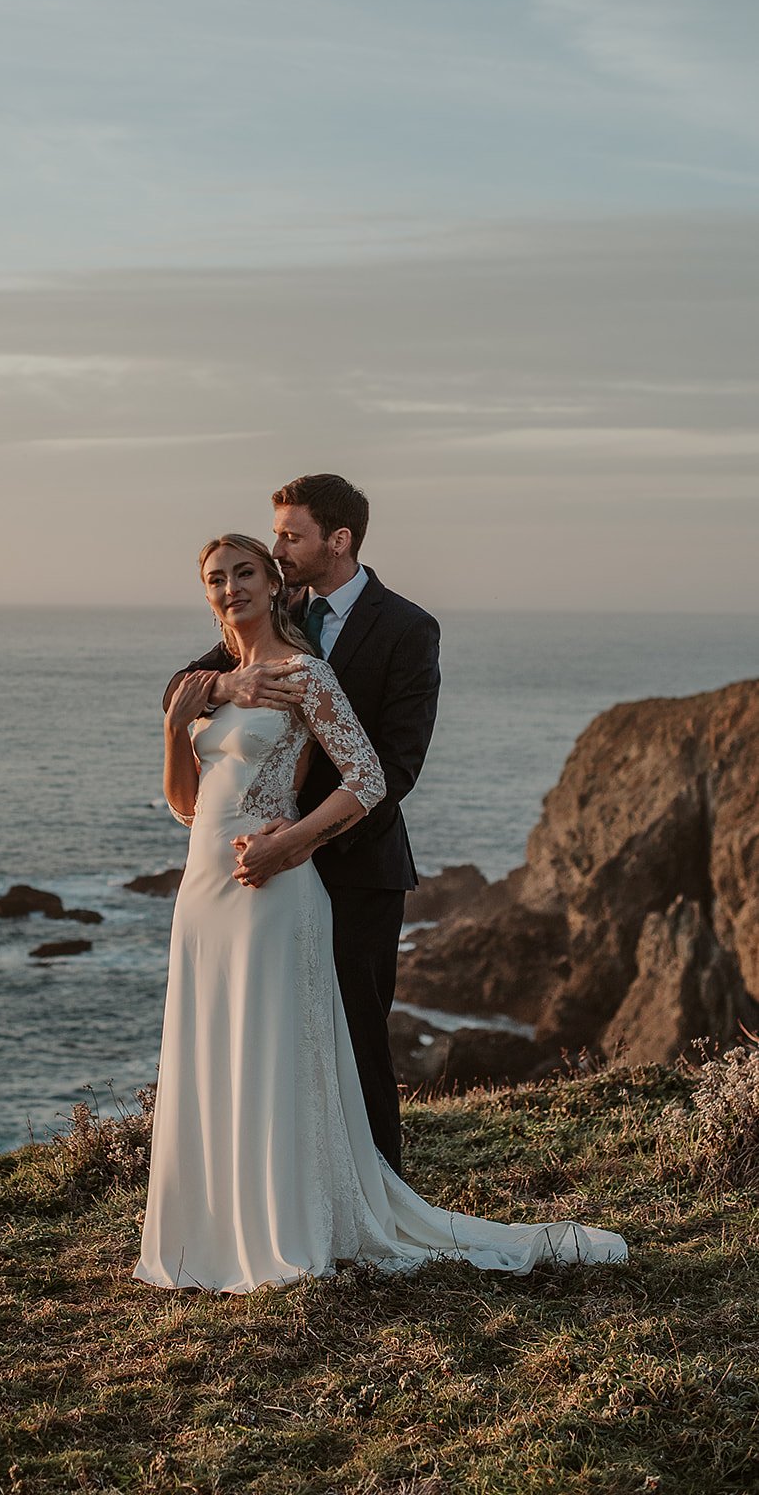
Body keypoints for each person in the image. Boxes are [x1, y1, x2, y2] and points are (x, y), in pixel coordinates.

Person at [134, 533, 626, 1291]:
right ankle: (214, 1229)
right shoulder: (204, 682)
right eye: (215, 579)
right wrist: (175, 727)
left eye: (244, 573)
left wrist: (293, 843)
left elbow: (366, 778)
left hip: (272, 890)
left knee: (273, 1053)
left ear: (273, 586)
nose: (230, 588)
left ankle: (284, 1229)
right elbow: (187, 806)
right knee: (214, 1049)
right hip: (204, 893)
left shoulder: (306, 675)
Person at [163, 473, 439, 1175]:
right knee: (260, 1038)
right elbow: (182, 689)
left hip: (355, 865)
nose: (278, 547)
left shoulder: (406, 628)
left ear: (337, 540)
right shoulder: (269, 610)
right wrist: (228, 685)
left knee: (353, 1040)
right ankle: (263, 1185)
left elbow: (394, 769)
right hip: (241, 868)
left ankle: (371, 1193)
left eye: (291, 535)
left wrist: (296, 842)